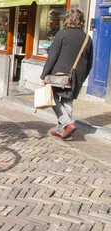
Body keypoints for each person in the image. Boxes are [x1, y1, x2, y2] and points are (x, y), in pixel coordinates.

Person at [40, 8, 93, 140]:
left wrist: (44, 75)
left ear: (67, 19)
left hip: (59, 73)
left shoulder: (61, 35)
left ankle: (67, 124)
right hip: (77, 74)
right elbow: (90, 62)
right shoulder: (87, 38)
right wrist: (82, 77)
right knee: (68, 100)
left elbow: (52, 56)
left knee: (52, 98)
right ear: (81, 21)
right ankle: (61, 129)